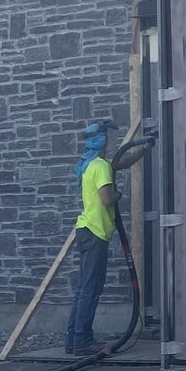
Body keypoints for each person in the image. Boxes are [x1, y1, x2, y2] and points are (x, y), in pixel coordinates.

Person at [67, 120, 116, 354]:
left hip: (85, 230)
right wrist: (118, 195)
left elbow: (120, 162)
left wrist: (143, 149)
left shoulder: (90, 165)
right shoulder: (102, 167)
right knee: (91, 287)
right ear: (104, 141)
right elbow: (107, 199)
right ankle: (82, 341)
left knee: (83, 288)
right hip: (97, 231)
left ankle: (72, 339)